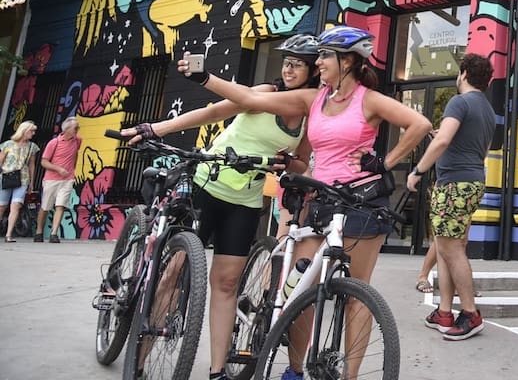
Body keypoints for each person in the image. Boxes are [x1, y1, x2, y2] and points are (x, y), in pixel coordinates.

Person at [181, 24, 431, 380]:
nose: (319, 64)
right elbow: (251, 100)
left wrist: (384, 163)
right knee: (301, 291)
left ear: (348, 61)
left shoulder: (369, 100)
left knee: (357, 295)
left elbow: (419, 123)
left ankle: (350, 376)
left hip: (362, 202)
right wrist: (206, 77)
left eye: (325, 56)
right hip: (322, 200)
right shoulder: (314, 98)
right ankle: (295, 371)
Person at [122, 34, 319, 380]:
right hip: (207, 184)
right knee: (174, 274)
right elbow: (214, 111)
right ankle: (138, 361)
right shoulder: (265, 93)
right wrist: (156, 128)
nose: (288, 69)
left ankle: (217, 372)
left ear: (312, 72)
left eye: (298, 64)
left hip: (245, 200)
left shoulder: (305, 116)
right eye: (286, 61)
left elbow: (301, 162)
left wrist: (286, 162)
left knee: (227, 283)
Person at [406, 52, 495, 341]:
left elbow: (443, 140)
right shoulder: (487, 110)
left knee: (451, 249)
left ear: (464, 74)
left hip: (454, 184)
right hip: (471, 180)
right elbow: (475, 147)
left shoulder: (460, 101)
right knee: (446, 248)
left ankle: (470, 313)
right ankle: (444, 312)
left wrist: (418, 170)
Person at [35, 117, 81, 242]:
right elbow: (44, 162)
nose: (78, 130)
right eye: (75, 127)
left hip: (67, 179)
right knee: (46, 206)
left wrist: (72, 169)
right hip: (51, 179)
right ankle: (39, 231)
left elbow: (75, 154)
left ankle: (54, 234)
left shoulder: (77, 140)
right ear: (67, 129)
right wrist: (58, 169)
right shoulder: (53, 143)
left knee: (61, 205)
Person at [1, 121, 40, 242]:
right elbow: (1, 160)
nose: (33, 133)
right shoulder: (8, 144)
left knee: (16, 205)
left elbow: (31, 165)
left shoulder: (32, 147)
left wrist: (31, 182)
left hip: (22, 178)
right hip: (6, 176)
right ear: (24, 130)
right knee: (2, 206)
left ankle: (9, 234)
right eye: (31, 131)